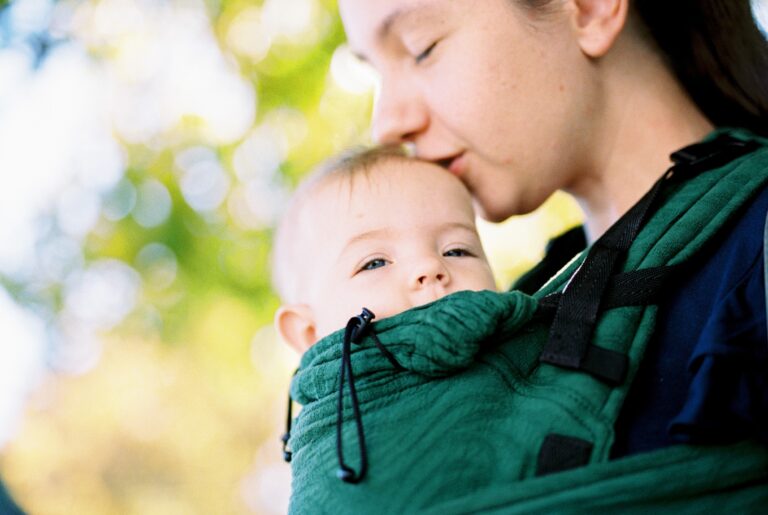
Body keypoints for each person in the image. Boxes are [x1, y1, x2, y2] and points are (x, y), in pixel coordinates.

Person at [338, 0, 768, 458]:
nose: (385, 124)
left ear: (591, 10)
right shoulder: (521, 307)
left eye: (421, 48)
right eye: (375, 72)